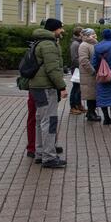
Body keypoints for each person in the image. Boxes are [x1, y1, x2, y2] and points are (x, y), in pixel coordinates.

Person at [27, 19, 68, 168]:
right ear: (55, 29)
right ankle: (49, 157)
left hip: (37, 87)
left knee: (40, 119)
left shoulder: (39, 42)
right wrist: (62, 86)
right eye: (61, 28)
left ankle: (40, 153)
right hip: (45, 87)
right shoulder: (48, 45)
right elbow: (53, 69)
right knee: (49, 121)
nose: (62, 31)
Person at [93, 29, 111, 125]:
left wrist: (99, 71)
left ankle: (106, 118)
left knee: (103, 96)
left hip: (101, 76)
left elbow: (93, 63)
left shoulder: (97, 47)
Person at [78, 29, 101, 122]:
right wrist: (93, 71)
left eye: (94, 33)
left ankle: (91, 112)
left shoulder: (94, 44)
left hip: (93, 73)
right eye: (92, 34)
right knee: (90, 95)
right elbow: (84, 60)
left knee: (93, 94)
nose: (95, 35)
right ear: (87, 36)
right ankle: (91, 113)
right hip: (89, 74)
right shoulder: (84, 45)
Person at [68, 27, 84, 115]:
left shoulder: (78, 42)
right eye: (82, 32)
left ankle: (78, 104)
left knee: (79, 88)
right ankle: (73, 106)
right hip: (76, 68)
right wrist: (81, 66)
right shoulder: (75, 44)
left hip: (78, 67)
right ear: (79, 33)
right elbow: (74, 58)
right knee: (76, 88)